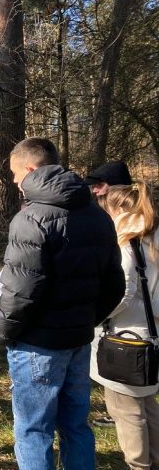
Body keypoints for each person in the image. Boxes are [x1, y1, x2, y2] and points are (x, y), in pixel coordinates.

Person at [0, 137, 125, 469]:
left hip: (37, 344)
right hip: (78, 341)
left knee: (34, 430)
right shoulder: (97, 214)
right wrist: (85, 319)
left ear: (32, 169)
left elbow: (21, 292)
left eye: (14, 173)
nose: (14, 181)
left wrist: (1, 332)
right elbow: (115, 284)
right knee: (76, 426)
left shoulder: (31, 218)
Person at [90, 181, 159, 469]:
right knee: (148, 408)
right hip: (152, 334)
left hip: (126, 339)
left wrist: (96, 316)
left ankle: (139, 465)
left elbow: (123, 290)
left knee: (126, 411)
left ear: (117, 208)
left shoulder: (127, 240)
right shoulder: (153, 235)